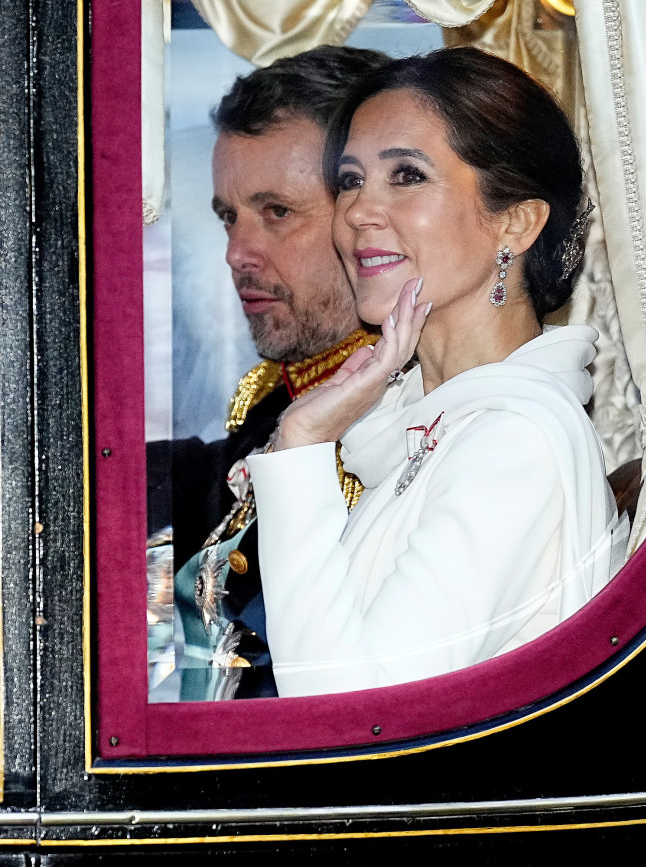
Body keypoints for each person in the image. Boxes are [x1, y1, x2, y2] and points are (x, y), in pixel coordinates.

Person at [245, 47, 630, 698]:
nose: (359, 211)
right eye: (349, 179)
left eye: (406, 176)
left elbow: (349, 717)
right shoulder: (426, 426)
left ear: (516, 221)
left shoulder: (514, 443)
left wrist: (303, 442)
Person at [147, 46, 390, 701]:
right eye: (229, 217)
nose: (236, 254)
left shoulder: (417, 420)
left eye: (276, 212)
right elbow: (202, 484)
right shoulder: (280, 397)